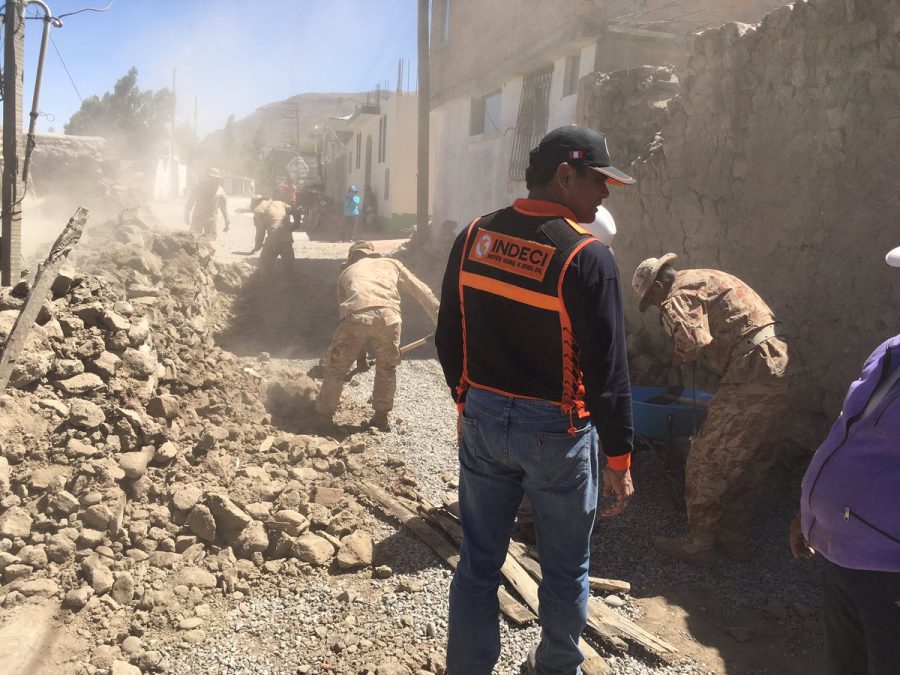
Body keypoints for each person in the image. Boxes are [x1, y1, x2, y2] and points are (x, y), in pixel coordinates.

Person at [436, 126, 635, 675]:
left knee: (477, 563)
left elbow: (447, 335)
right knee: (567, 570)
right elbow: (609, 375)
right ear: (564, 175)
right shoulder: (586, 257)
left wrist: (465, 404)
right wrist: (619, 459)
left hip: (482, 418)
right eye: (598, 180)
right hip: (557, 433)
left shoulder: (475, 235)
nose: (605, 193)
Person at [633, 254, 799, 566]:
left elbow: (694, 340)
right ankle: (732, 536)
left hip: (753, 372)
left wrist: (680, 354)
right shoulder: (704, 278)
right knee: (749, 460)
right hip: (784, 364)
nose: (656, 306)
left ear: (658, 286)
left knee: (704, 460)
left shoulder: (676, 296)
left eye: (651, 301)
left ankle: (699, 544)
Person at [789, 245, 900, 675]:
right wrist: (810, 510)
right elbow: (848, 434)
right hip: (840, 550)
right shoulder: (891, 352)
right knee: (845, 663)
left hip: (887, 565)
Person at [315, 241, 440, 431]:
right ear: (372, 254)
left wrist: (360, 357)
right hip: (390, 319)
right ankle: (381, 418)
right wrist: (441, 321)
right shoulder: (392, 264)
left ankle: (323, 418)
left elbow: (348, 319)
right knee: (387, 367)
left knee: (336, 367)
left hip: (356, 317)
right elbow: (423, 291)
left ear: (351, 259)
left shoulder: (345, 274)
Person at [249, 195, 294, 264]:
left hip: (273, 240)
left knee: (263, 264)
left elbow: (260, 232)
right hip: (287, 240)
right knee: (290, 267)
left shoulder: (259, 209)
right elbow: (295, 211)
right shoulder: (280, 203)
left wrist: (257, 247)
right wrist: (295, 225)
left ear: (255, 203)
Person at [185, 168, 229, 239]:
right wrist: (186, 213)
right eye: (211, 177)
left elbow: (224, 208)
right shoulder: (199, 187)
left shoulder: (220, 191)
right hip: (198, 217)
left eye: (215, 178)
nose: (213, 180)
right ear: (208, 177)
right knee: (193, 239)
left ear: (218, 179)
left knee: (210, 240)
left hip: (211, 220)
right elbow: (190, 201)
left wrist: (227, 221)